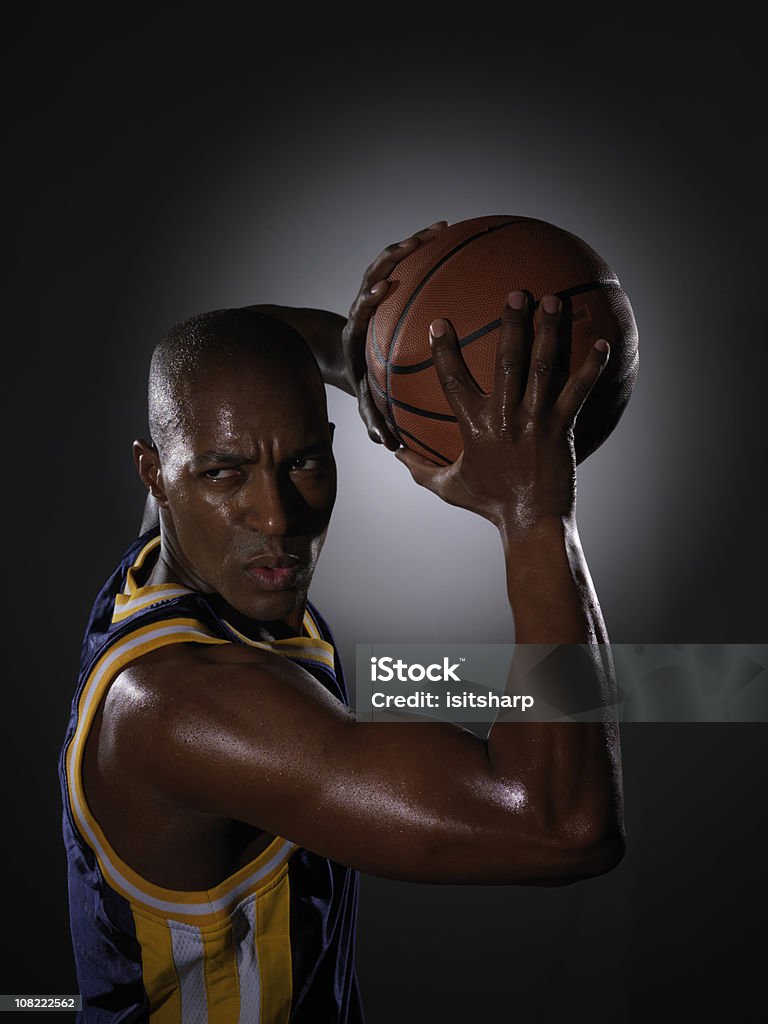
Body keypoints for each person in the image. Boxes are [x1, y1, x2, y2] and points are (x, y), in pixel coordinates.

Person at [59, 222, 625, 1023]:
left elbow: (225, 354)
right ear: (156, 473)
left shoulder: (176, 549)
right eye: (225, 474)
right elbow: (564, 826)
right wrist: (535, 515)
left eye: (304, 462)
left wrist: (358, 355)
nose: (276, 513)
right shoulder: (181, 710)